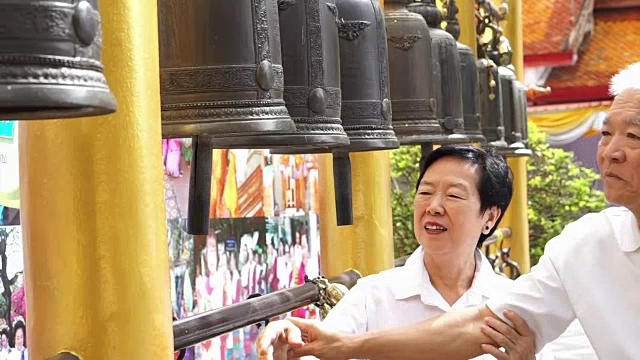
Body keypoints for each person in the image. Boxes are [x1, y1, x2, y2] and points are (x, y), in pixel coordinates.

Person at [256, 62, 640, 359]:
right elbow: (476, 328)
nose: (611, 152)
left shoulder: (511, 287)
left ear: (491, 217)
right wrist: (329, 344)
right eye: (606, 133)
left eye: (634, 136)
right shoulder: (585, 245)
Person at [258, 145, 554, 359]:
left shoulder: (512, 305)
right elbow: (319, 348)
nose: (434, 206)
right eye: (425, 192)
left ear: (490, 218)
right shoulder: (372, 295)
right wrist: (290, 345)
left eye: (453, 195)